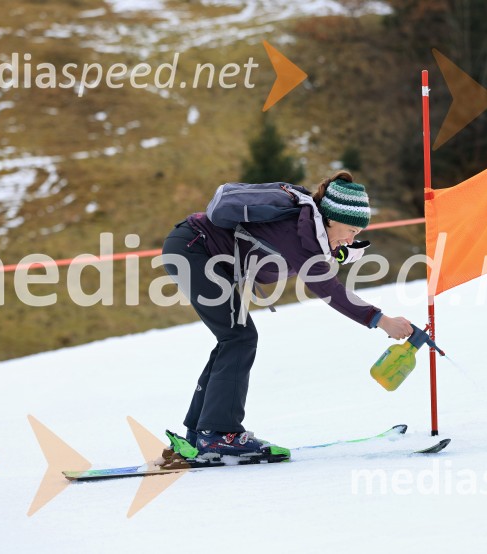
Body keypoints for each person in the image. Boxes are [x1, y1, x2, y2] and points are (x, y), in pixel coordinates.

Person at [161, 171, 413, 463]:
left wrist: (341, 250)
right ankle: (219, 435)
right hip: (195, 249)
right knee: (239, 337)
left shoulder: (311, 226)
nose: (351, 238)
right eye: (351, 231)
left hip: (191, 247)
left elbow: (324, 252)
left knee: (234, 337)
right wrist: (382, 320)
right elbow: (330, 289)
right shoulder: (300, 233)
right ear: (331, 218)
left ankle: (201, 432)